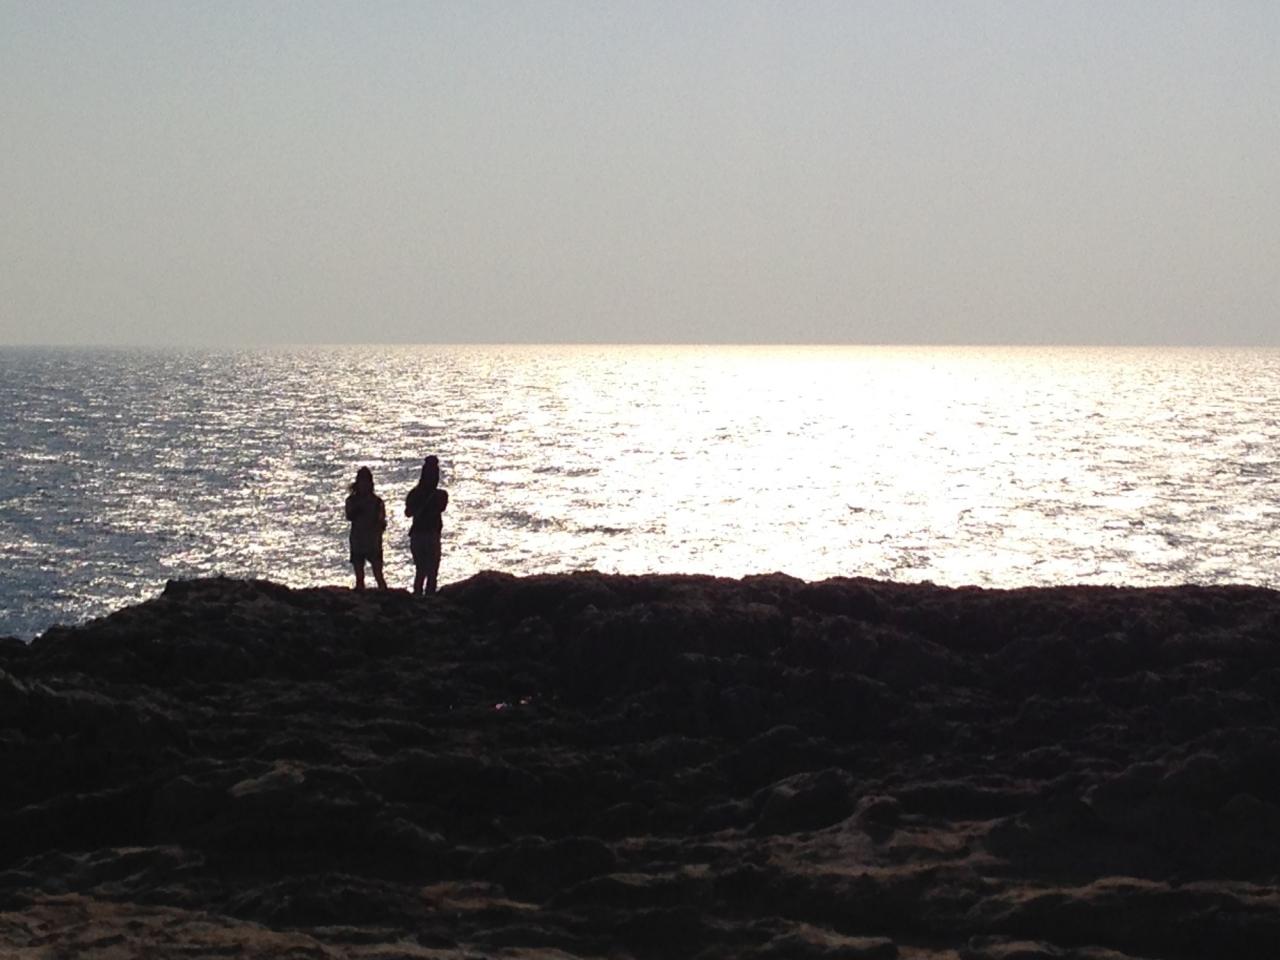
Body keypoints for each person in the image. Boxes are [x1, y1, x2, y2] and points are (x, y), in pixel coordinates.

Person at [405, 455, 448, 595]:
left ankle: (419, 596)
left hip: (421, 534)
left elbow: (408, 512)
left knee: (422, 570)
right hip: (428, 534)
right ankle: (428, 597)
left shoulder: (416, 493)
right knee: (430, 571)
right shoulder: (440, 495)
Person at [345, 466, 387, 591]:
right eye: (362, 481)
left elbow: (381, 521)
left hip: (373, 541)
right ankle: (360, 596)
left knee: (378, 574)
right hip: (358, 540)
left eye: (366, 481)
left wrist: (379, 526)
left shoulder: (377, 502)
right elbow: (349, 516)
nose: (364, 485)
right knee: (359, 577)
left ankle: (385, 595)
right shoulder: (352, 500)